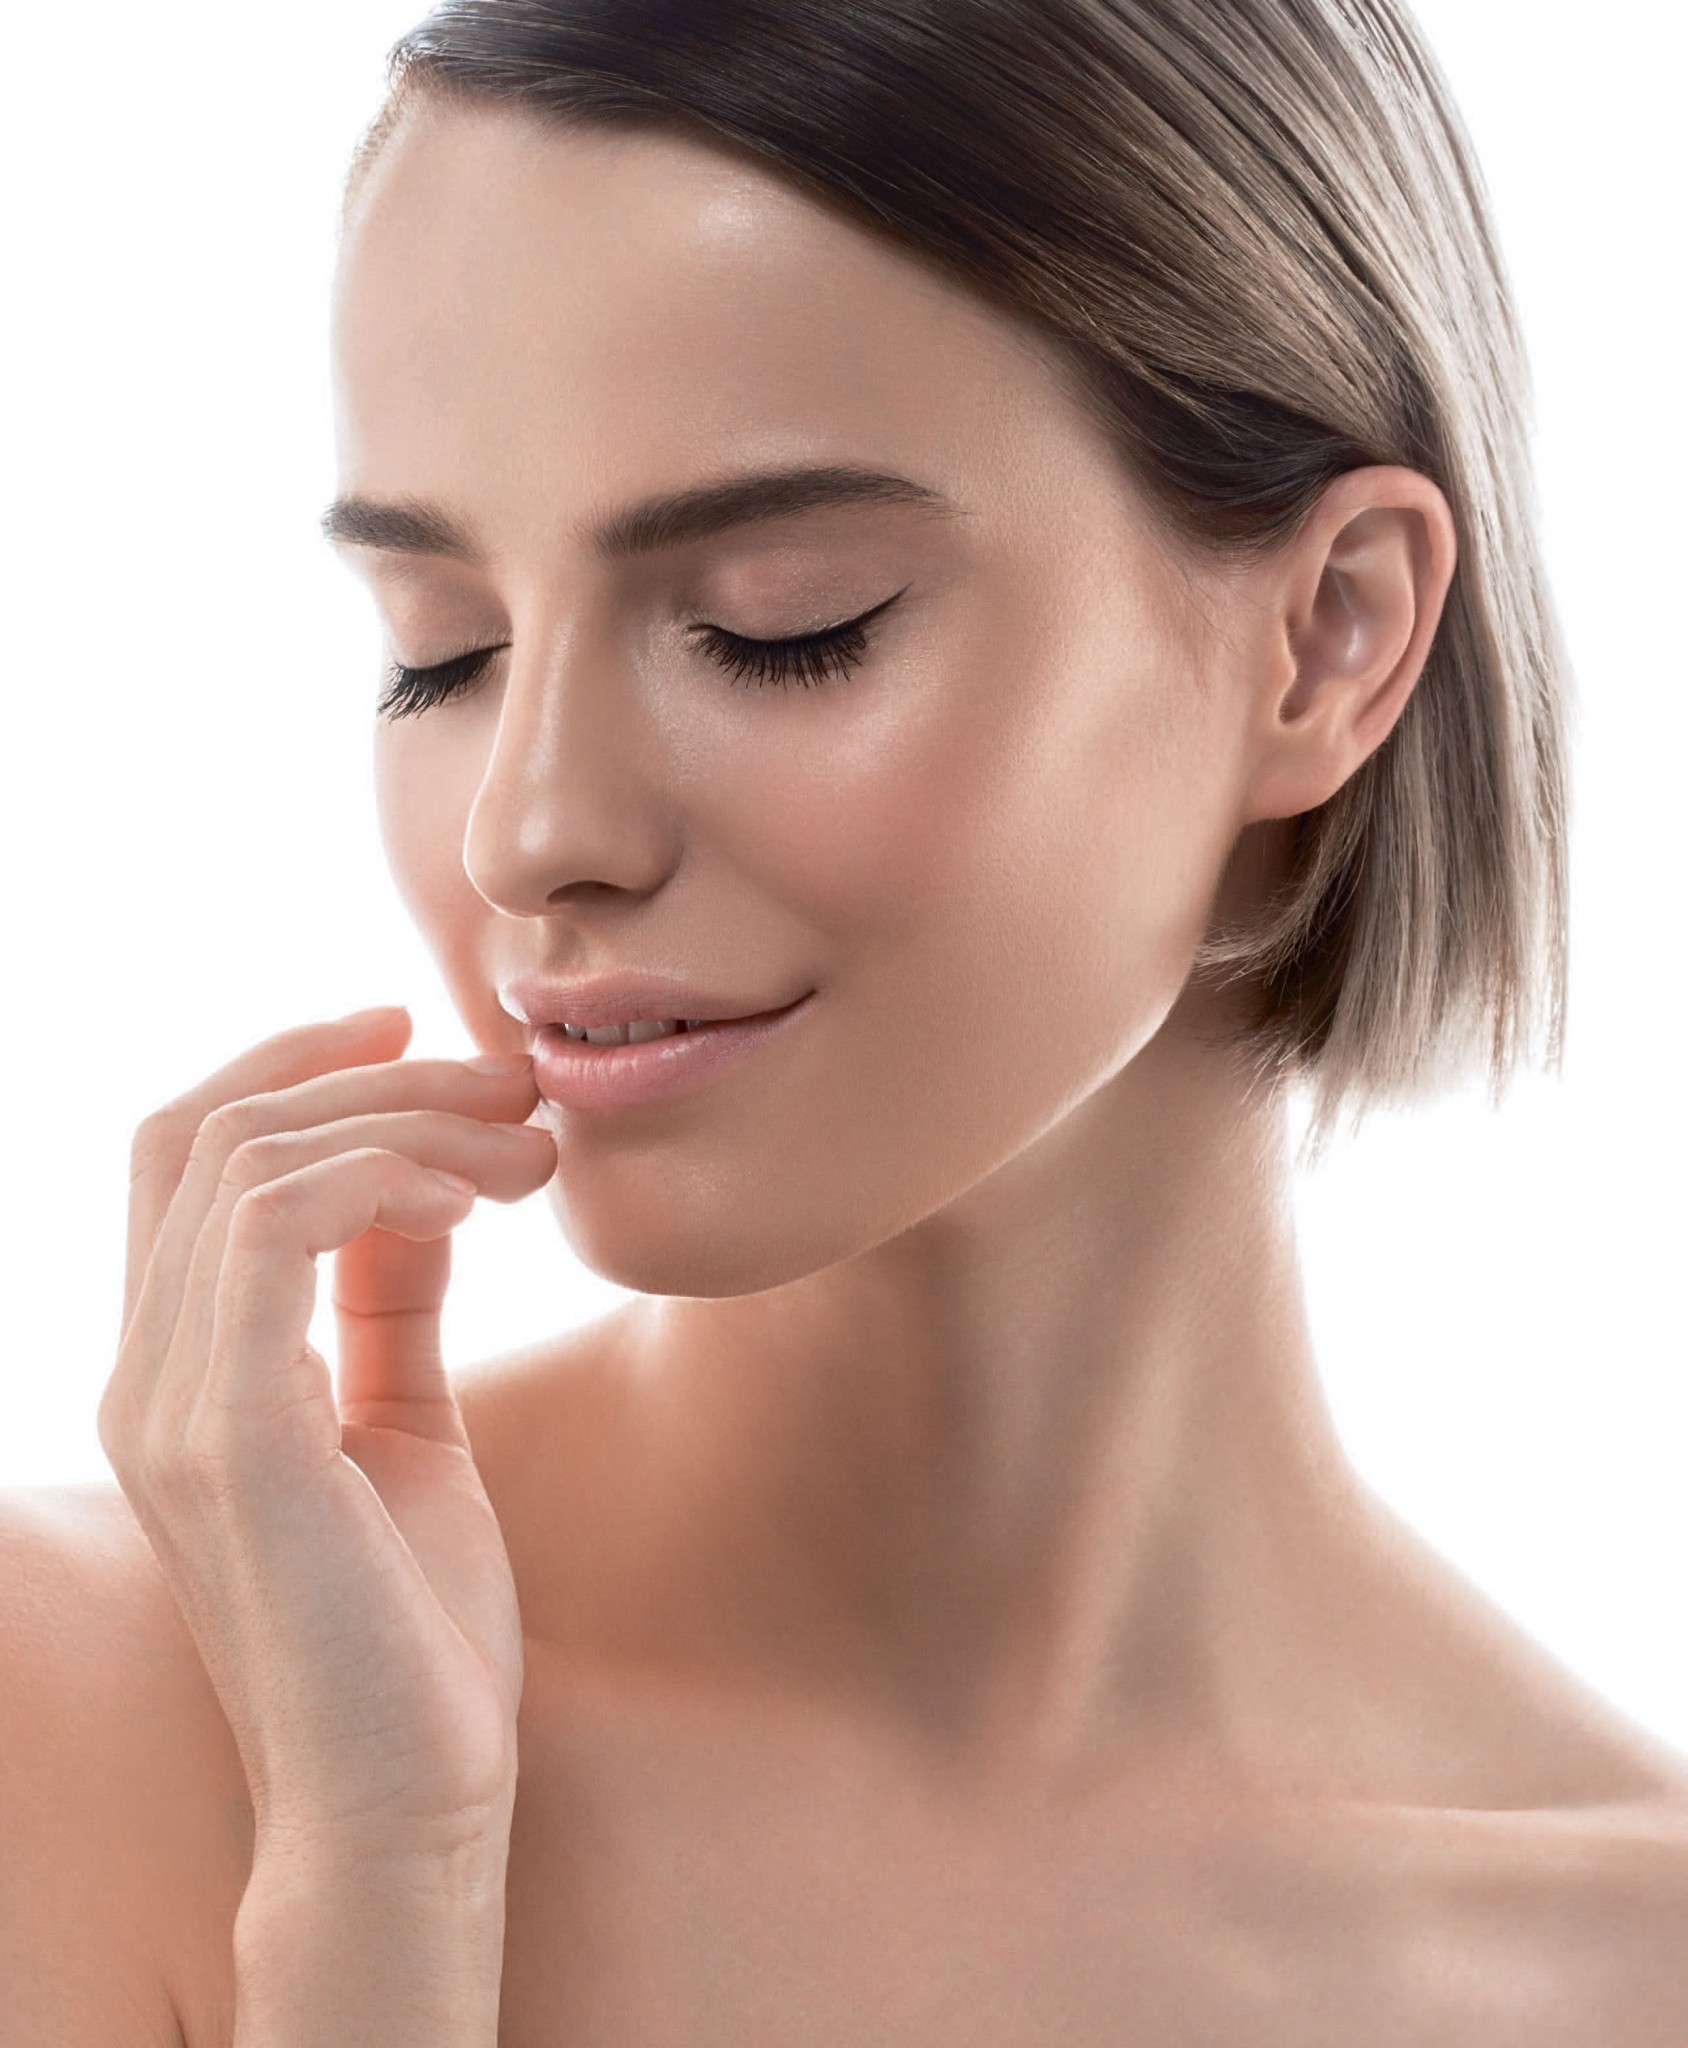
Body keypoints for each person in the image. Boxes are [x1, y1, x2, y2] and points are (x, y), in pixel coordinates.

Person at [4, 0, 1685, 2040]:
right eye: (441, 650)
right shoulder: (92, 1723)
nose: (535, 829)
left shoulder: (1625, 1963)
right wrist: (375, 1886)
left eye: (781, 623)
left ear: (1329, 636)